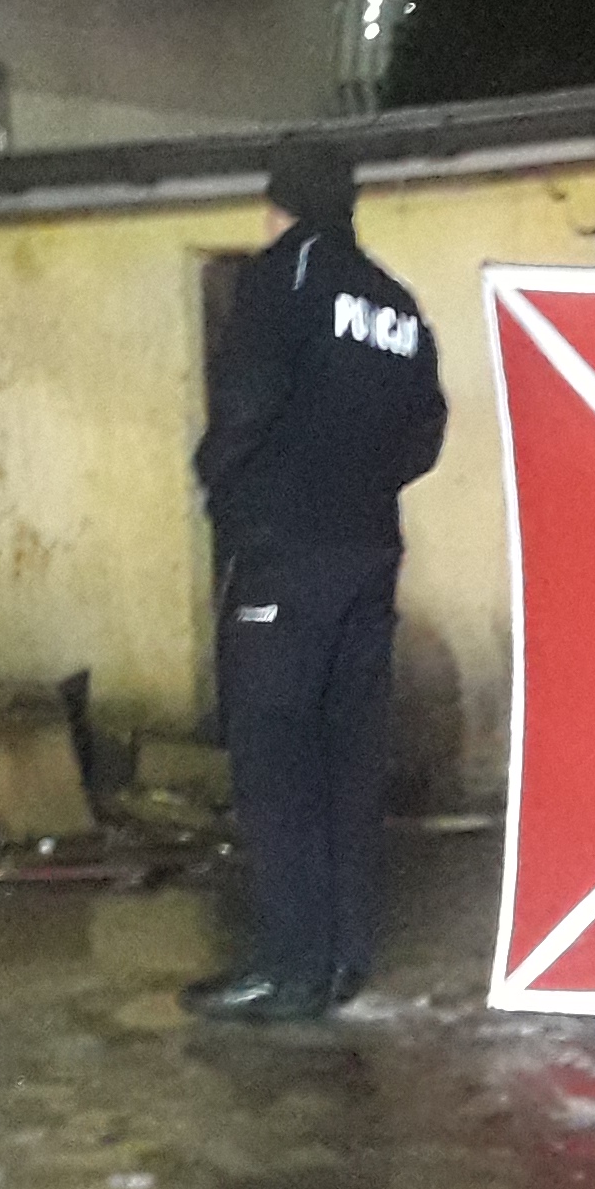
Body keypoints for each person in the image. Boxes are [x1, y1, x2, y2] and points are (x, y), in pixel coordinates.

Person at [185, 135, 448, 1024]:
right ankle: (343, 961)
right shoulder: (395, 303)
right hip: (369, 558)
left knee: (275, 759)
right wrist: (361, 485)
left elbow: (245, 403)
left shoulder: (282, 279)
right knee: (348, 760)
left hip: (285, 559)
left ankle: (288, 968)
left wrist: (224, 487)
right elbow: (426, 433)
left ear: (281, 204)